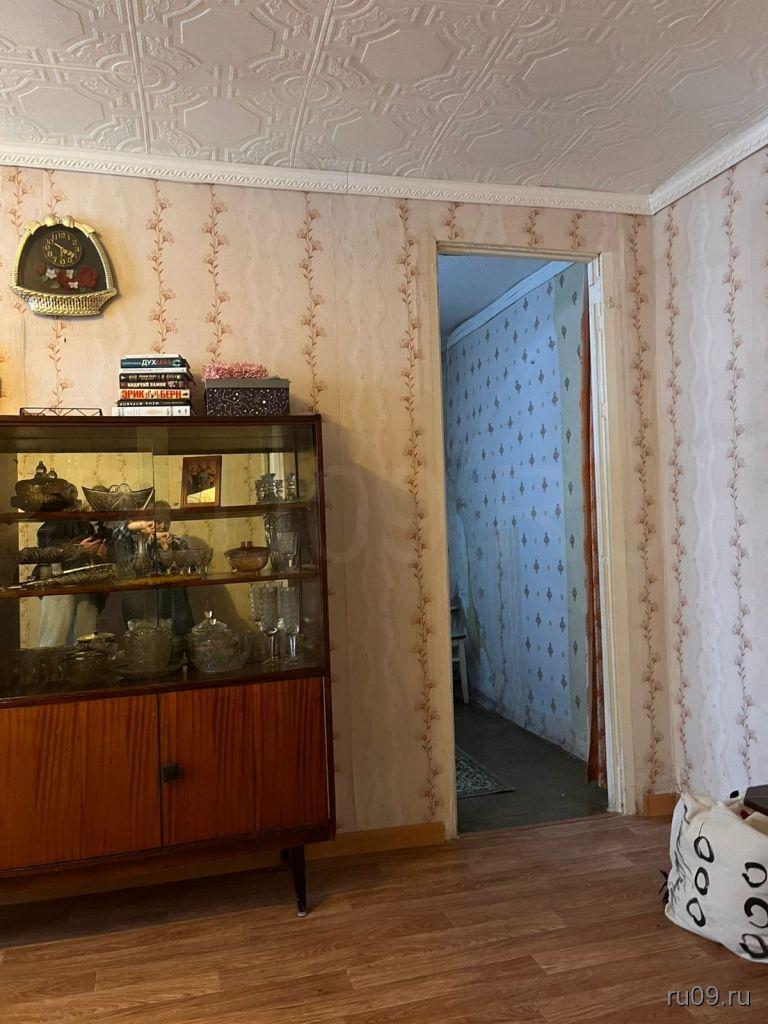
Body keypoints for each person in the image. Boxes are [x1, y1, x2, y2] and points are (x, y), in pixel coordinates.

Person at [36, 520, 108, 647]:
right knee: (55, 640)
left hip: (88, 584)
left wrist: (102, 553)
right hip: (60, 584)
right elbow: (44, 540)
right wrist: (77, 549)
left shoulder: (102, 524)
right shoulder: (67, 517)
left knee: (87, 642)